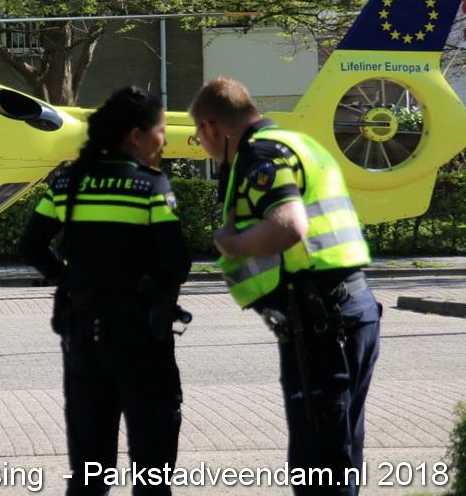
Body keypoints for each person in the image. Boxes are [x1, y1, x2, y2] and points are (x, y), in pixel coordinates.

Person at [189, 77, 380, 496]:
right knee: (340, 449)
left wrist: (230, 243)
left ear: (210, 127)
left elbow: (289, 225)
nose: (202, 145)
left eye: (198, 137)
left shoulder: (260, 153)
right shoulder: (300, 143)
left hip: (322, 320)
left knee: (318, 462)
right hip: (350, 309)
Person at [20, 86, 191, 495]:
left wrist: (67, 280)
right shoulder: (150, 186)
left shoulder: (67, 183)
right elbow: (176, 262)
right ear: (135, 135)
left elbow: (31, 246)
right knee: (152, 469)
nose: (163, 140)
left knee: (89, 471)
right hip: (141, 337)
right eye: (160, 131)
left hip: (84, 336)